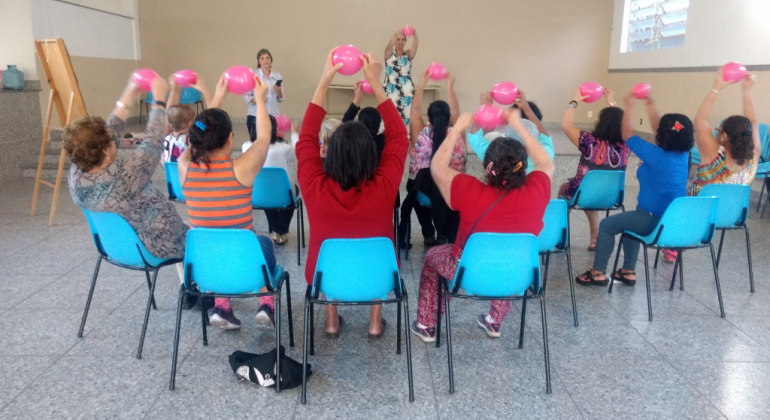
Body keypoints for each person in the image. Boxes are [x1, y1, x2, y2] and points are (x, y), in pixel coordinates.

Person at [410, 109, 553, 342]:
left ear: (487, 166)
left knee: (433, 257)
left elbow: (436, 167)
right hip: (519, 275)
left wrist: (455, 129)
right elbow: (545, 161)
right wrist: (518, 126)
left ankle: (427, 324)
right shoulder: (537, 190)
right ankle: (495, 321)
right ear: (524, 166)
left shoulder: (468, 189)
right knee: (508, 253)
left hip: (467, 274)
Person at [297, 48, 408, 337]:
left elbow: (307, 138)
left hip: (324, 281)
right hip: (380, 278)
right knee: (371, 258)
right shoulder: (384, 188)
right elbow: (399, 137)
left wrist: (324, 80)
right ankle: (374, 324)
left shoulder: (314, 186)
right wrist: (377, 84)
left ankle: (331, 323)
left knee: (334, 259)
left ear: (329, 155)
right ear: (371, 155)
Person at [63, 76, 189, 287]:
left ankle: (189, 290)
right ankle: (204, 295)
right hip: (155, 245)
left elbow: (109, 129)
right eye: (110, 138)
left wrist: (130, 92)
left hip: (116, 246)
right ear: (105, 149)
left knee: (185, 227)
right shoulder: (128, 174)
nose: (113, 135)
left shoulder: (76, 173)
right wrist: (158, 100)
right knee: (197, 236)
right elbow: (154, 139)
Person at [178, 73, 277, 331]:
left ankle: (222, 306)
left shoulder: (184, 167)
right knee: (263, 240)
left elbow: (194, 140)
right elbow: (264, 137)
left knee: (215, 244)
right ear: (231, 139)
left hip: (205, 269)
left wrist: (217, 99)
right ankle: (266, 301)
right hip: (247, 267)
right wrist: (260, 100)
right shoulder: (241, 169)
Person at [575, 91, 694, 286]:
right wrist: (649, 103)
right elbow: (661, 129)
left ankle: (597, 272)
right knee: (630, 224)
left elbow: (626, 134)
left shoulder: (654, 154)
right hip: (673, 221)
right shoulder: (683, 155)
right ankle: (627, 271)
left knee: (607, 226)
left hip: (652, 219)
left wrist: (629, 105)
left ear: (662, 136)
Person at [561, 88, 630, 250]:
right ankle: (595, 234)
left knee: (565, 188)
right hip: (612, 197)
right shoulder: (627, 145)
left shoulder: (589, 141)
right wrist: (611, 101)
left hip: (584, 195)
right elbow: (626, 124)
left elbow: (566, 125)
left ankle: (560, 234)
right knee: (592, 189)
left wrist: (574, 101)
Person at [406, 69, 463, 246]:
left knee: (416, 188)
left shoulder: (420, 133)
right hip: (450, 194)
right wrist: (449, 86)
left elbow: (414, 110)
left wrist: (421, 85)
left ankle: (428, 233)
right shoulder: (458, 133)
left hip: (424, 194)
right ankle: (444, 234)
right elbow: (456, 111)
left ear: (428, 118)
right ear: (449, 119)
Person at [242, 115, 299, 245]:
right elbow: (298, 151)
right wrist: (294, 132)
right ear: (273, 130)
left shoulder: (246, 147)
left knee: (267, 188)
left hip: (258, 196)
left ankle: (274, 230)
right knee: (293, 191)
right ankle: (279, 231)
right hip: (283, 195)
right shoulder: (283, 148)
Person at [469, 89, 555, 168]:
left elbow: (474, 134)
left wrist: (484, 107)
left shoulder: (492, 152)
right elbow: (545, 137)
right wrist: (527, 109)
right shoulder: (544, 156)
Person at [164, 76, 214, 163]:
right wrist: (204, 90)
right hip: (190, 175)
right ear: (189, 123)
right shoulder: (191, 140)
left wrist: (175, 90)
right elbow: (213, 115)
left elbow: (169, 113)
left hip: (172, 176)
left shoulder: (166, 139)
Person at [244, 48, 284, 141]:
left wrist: (279, 91)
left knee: (274, 142)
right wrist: (258, 99)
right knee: (257, 143)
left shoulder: (277, 76)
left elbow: (281, 98)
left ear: (271, 60)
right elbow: (246, 96)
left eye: (267, 58)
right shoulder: (253, 76)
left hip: (273, 116)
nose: (265, 60)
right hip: (255, 116)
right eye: (262, 58)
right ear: (258, 61)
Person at [384, 28, 418, 125]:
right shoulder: (389, 54)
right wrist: (395, 35)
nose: (400, 42)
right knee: (391, 112)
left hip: (406, 88)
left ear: (405, 41)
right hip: (391, 87)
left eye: (402, 39)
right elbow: (388, 47)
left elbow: (415, 46)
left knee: (407, 113)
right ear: (395, 41)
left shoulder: (408, 54)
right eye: (398, 39)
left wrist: (415, 35)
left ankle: (406, 135)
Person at [342, 81, 385, 159]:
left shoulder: (353, 140)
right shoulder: (384, 141)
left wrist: (357, 97)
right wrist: (381, 93)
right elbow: (395, 126)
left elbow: (345, 122)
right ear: (379, 124)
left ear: (359, 123)